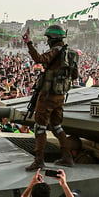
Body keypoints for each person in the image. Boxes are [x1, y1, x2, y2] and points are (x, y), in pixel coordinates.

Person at [23, 24, 76, 168]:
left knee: (40, 128)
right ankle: (67, 157)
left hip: (48, 96)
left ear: (53, 39)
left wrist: (29, 43)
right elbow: (75, 74)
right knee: (57, 126)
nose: (47, 41)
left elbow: (39, 59)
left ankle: (39, 160)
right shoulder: (71, 54)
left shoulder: (55, 52)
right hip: (60, 96)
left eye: (48, 38)